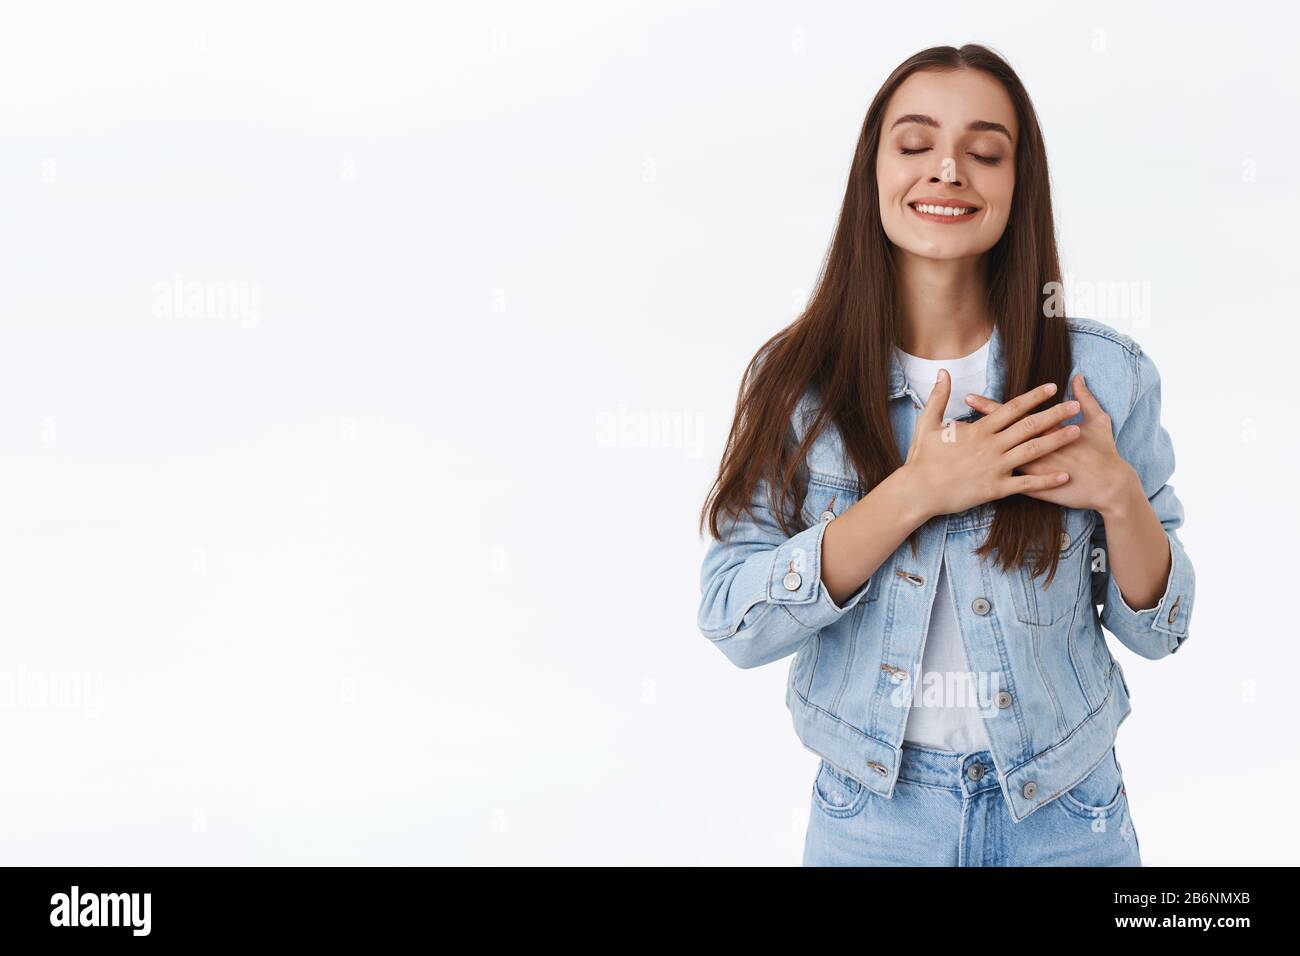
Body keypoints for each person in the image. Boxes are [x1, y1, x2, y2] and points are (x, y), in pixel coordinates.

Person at [695, 44, 1194, 866]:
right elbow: (732, 620)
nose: (949, 170)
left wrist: (1121, 498)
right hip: (872, 820)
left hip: (1069, 816)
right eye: (915, 144)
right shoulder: (795, 383)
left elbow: (1160, 631)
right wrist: (915, 493)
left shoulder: (1103, 376)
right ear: (874, 174)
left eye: (985, 151)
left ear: (1015, 184)